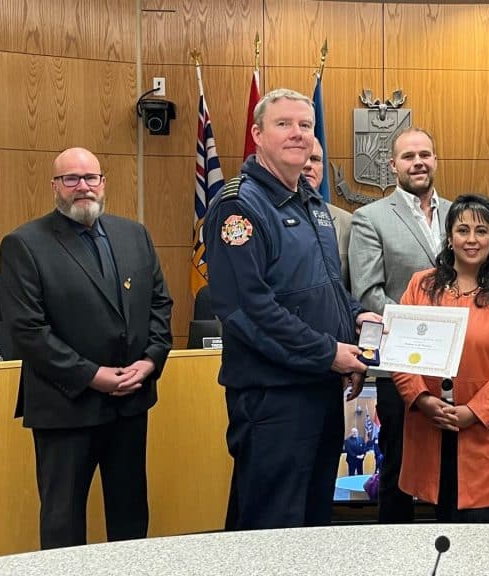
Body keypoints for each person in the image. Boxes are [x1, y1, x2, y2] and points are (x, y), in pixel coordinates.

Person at [204, 88, 380, 530]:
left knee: (313, 523)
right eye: (284, 124)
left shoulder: (310, 201)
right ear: (257, 134)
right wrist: (329, 352)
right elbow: (248, 309)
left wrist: (355, 317)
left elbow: (325, 284)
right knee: (272, 528)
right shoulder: (238, 206)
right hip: (273, 397)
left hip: (318, 388)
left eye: (306, 125)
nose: (298, 134)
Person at [0, 147, 173, 549]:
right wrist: (93, 376)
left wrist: (150, 360)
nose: (83, 187)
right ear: (55, 187)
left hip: (129, 402)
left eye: (90, 177)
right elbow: (28, 330)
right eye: (71, 179)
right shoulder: (25, 243)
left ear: (103, 183)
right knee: (63, 523)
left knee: (131, 517)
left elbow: (160, 304)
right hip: (66, 407)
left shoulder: (134, 234)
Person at [394, 194, 489, 522]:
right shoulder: (421, 285)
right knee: (445, 533)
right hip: (433, 429)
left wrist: (474, 411)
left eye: (481, 231)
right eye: (463, 230)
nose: (471, 239)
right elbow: (399, 352)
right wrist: (421, 399)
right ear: (450, 237)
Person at [349, 127, 452, 523]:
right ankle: (395, 554)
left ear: (436, 160)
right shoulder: (370, 218)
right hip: (402, 366)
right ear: (393, 165)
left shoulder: (461, 214)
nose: (418, 163)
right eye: (408, 157)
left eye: (425, 154)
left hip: (457, 367)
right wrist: (426, 330)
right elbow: (369, 292)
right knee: (398, 466)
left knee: (452, 464)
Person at [303, 137, 353, 289]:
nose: (308, 165)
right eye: (303, 158)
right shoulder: (268, 215)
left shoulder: (347, 222)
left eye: (315, 159)